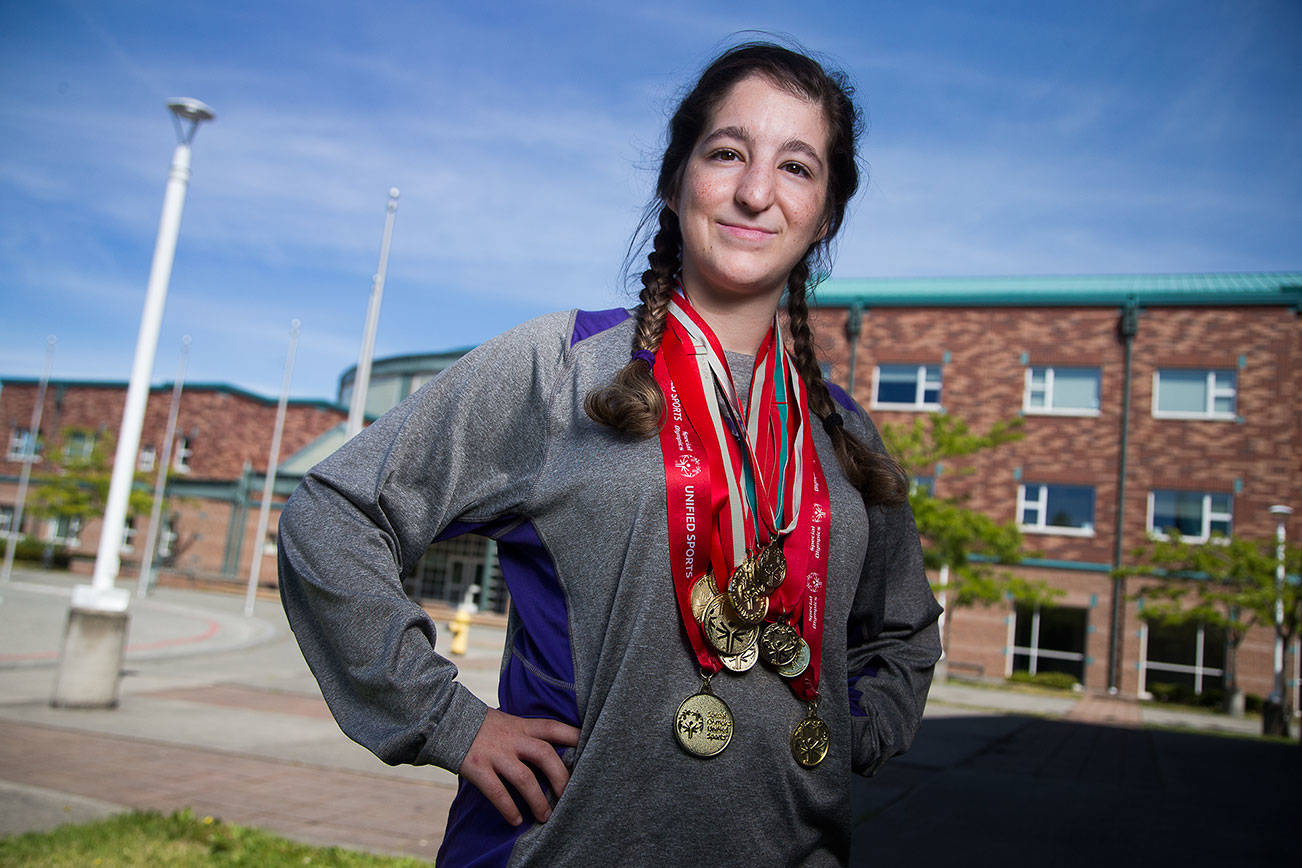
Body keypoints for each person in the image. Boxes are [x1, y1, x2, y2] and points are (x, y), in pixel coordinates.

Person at [278, 40, 942, 867]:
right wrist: (447, 720)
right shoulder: (559, 368)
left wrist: (852, 731)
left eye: (798, 167)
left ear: (827, 214)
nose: (755, 191)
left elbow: (903, 631)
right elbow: (335, 513)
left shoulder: (845, 434)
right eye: (727, 152)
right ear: (676, 182)